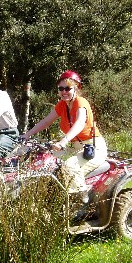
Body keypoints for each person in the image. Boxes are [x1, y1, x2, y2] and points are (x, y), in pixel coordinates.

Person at [21, 70, 107, 200]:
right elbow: (46, 121)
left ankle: (79, 199)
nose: (64, 91)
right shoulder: (62, 105)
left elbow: (79, 122)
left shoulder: (80, 102)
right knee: (46, 160)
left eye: (68, 88)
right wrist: (27, 135)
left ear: (76, 88)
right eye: (61, 88)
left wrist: (63, 141)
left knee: (69, 166)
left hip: (93, 146)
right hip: (74, 147)